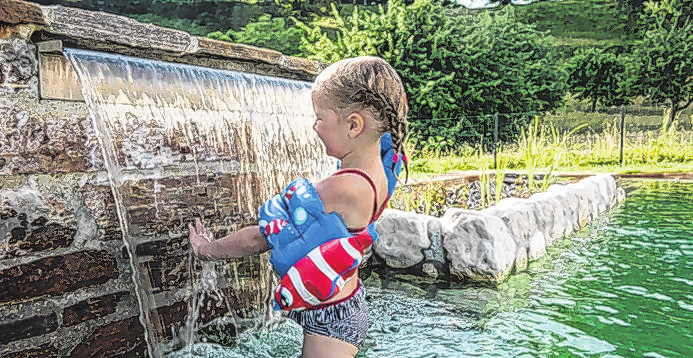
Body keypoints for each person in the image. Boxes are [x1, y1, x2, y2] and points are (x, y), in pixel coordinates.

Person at [189, 56, 408, 358]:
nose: (314, 126)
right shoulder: (380, 172)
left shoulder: (341, 188)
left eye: (320, 117)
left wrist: (207, 250)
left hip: (331, 324)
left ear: (354, 125)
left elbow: (263, 236)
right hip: (344, 306)